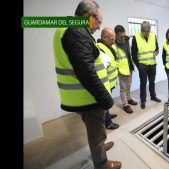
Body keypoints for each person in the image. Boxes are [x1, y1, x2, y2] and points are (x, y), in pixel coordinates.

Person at [52, 0, 121, 168]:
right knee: (96, 131)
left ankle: (99, 149)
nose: (98, 27)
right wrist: (105, 98)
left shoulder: (69, 27)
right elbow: (86, 71)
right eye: (99, 22)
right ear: (88, 16)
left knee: (93, 128)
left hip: (82, 94)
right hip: (88, 95)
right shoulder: (76, 30)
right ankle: (102, 163)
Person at [131, 21, 161, 109]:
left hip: (152, 64)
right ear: (141, 30)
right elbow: (133, 53)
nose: (147, 34)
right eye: (145, 33)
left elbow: (157, 48)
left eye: (148, 32)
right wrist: (138, 66)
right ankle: (143, 100)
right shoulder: (136, 37)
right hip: (142, 65)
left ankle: (153, 96)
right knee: (143, 83)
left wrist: (156, 52)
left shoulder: (153, 36)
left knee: (152, 82)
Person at [96, 27, 120, 130]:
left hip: (111, 81)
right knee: (105, 103)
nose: (113, 42)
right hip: (105, 82)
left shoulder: (108, 46)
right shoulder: (99, 48)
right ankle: (108, 123)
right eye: (112, 39)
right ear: (105, 37)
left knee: (107, 101)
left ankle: (108, 115)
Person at [113, 25, 138, 113]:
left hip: (130, 67)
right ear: (116, 35)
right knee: (123, 88)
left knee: (128, 86)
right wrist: (118, 68)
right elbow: (113, 59)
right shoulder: (114, 45)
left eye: (124, 35)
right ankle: (125, 104)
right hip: (122, 69)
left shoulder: (127, 40)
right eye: (121, 36)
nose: (123, 38)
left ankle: (129, 99)